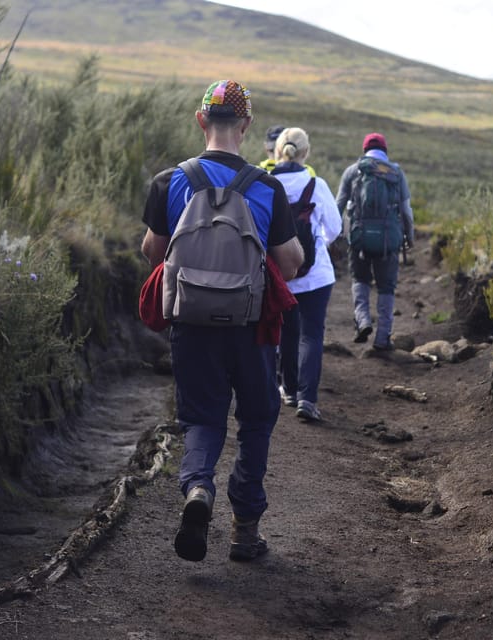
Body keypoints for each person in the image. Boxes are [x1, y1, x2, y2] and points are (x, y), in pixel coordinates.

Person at [140, 79, 303, 563]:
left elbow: (153, 252)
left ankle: (196, 490)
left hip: (190, 324)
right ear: (247, 127)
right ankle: (244, 532)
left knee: (200, 419)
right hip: (251, 327)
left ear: (200, 120)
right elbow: (290, 263)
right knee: (256, 419)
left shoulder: (169, 182)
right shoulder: (267, 187)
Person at [270, 127, 342, 422]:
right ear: (305, 153)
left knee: (286, 330)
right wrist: (316, 245)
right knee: (311, 334)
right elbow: (335, 227)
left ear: (276, 151)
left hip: (278, 275)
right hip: (316, 276)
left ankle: (288, 389)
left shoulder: (265, 183)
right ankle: (307, 400)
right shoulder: (317, 184)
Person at [335, 132, 414, 351]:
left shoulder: (353, 171)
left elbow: (338, 206)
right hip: (389, 240)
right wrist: (409, 237)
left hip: (359, 239)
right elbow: (406, 211)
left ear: (364, 150)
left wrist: (336, 237)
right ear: (385, 151)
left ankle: (362, 320)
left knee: (359, 278)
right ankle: (382, 337)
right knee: (386, 286)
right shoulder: (396, 173)